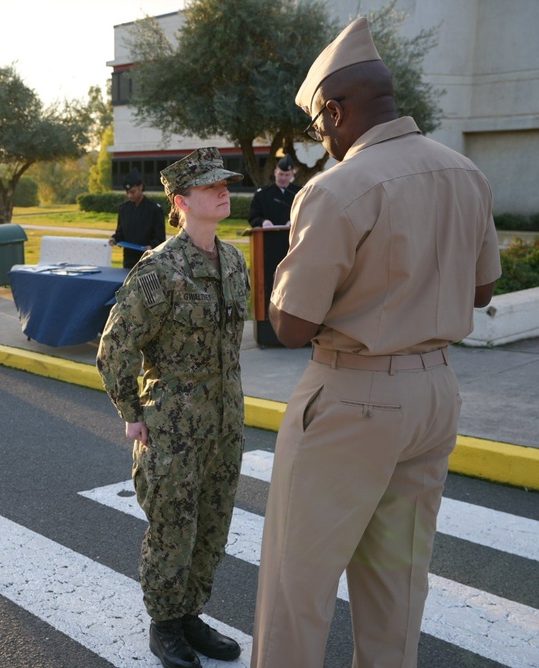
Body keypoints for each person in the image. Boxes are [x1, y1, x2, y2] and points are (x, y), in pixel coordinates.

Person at [251, 18, 502, 668]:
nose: (323, 139)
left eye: (320, 125)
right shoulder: (466, 173)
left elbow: (292, 326)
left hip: (352, 396)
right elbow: (480, 294)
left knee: (295, 588)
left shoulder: (335, 191)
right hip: (437, 394)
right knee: (397, 586)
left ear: (335, 110)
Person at [97, 148, 249, 668]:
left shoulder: (232, 261)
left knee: (212, 524)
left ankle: (190, 614)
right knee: (172, 528)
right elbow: (114, 347)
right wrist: (131, 412)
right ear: (181, 201)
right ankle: (165, 625)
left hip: (225, 424)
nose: (224, 191)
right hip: (174, 427)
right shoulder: (160, 270)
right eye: (211, 187)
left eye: (225, 183)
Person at [109, 168, 166, 269]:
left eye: (132, 192)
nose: (130, 195)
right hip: (128, 259)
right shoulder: (124, 209)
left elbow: (160, 237)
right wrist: (115, 239)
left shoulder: (154, 209)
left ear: (141, 187)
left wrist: (151, 246)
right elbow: (120, 232)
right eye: (127, 192)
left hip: (148, 260)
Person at [248, 156, 300, 228]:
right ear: (275, 172)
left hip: (292, 236)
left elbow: (307, 215)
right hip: (269, 236)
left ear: (293, 174)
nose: (283, 178)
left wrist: (295, 221)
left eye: (287, 175)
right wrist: (263, 222)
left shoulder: (299, 193)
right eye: (280, 174)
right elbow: (253, 217)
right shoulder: (262, 194)